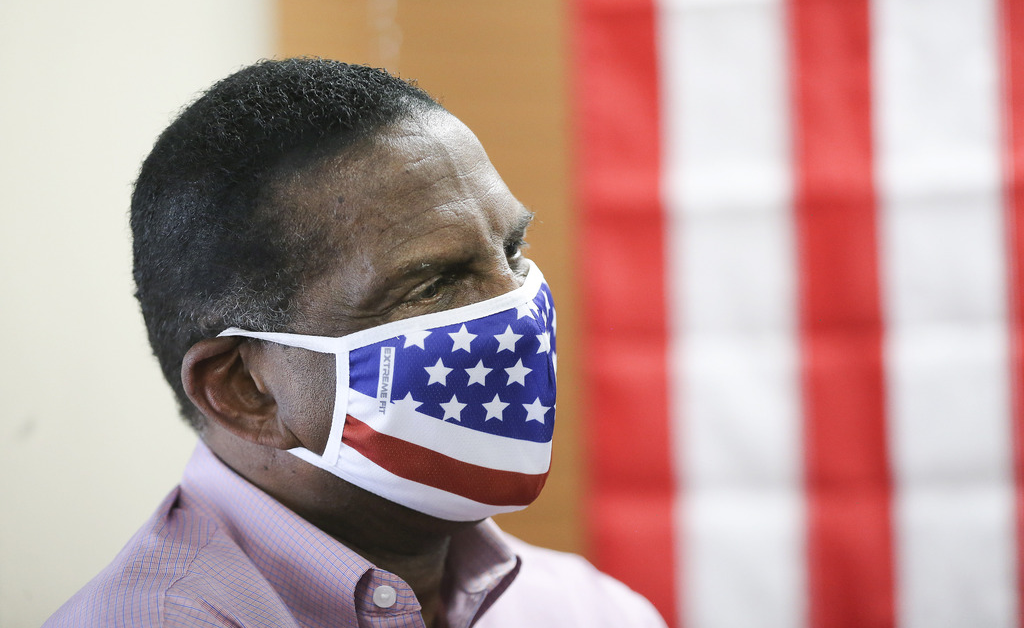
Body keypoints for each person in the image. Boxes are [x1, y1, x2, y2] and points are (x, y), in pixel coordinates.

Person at [44, 58, 666, 628]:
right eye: (433, 285)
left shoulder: (589, 609)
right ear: (244, 390)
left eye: (512, 250)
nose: (518, 314)